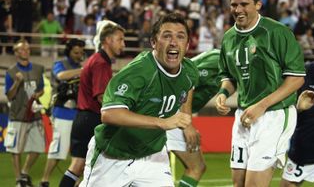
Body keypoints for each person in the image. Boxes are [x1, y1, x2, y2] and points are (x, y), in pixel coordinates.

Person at [79, 12, 198, 187]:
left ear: (187, 45)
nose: (174, 42)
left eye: (180, 37)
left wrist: (187, 123)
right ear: (154, 43)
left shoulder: (189, 71)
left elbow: (188, 88)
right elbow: (109, 114)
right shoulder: (138, 72)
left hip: (152, 157)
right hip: (113, 156)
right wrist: (162, 123)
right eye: (167, 36)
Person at [215, 0, 306, 187]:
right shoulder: (229, 38)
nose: (238, 10)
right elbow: (228, 76)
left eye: (244, 4)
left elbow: (296, 78)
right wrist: (223, 93)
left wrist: (262, 106)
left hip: (273, 115)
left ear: (258, 4)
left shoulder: (277, 33)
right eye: (234, 4)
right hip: (243, 115)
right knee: (238, 184)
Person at [59, 20, 126, 187]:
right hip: (91, 119)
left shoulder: (98, 60)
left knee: (82, 167)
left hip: (84, 119)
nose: (123, 44)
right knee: (92, 167)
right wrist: (122, 114)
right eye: (120, 40)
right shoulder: (101, 63)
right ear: (108, 40)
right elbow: (102, 97)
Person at [166, 49, 221, 187]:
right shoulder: (218, 60)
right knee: (196, 167)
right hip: (171, 111)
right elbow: (187, 81)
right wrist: (187, 124)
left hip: (173, 111)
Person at [39, 39, 85, 187]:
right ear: (68, 52)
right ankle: (44, 180)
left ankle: (76, 182)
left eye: (81, 52)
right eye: (76, 52)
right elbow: (61, 76)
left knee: (79, 151)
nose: (79, 55)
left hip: (77, 112)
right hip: (62, 112)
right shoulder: (60, 64)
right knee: (58, 148)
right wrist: (84, 70)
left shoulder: (80, 66)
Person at [4, 40, 45, 187]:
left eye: (27, 49)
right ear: (16, 53)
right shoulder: (11, 72)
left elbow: (41, 89)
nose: (26, 51)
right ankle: (18, 180)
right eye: (22, 49)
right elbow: (9, 96)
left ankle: (24, 173)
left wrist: (37, 95)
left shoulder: (39, 69)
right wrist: (16, 82)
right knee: (15, 149)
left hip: (34, 115)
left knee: (38, 147)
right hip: (18, 116)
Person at [281, 60, 314, 187]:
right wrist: (298, 108)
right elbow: (284, 108)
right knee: (288, 184)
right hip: (308, 145)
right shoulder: (304, 73)